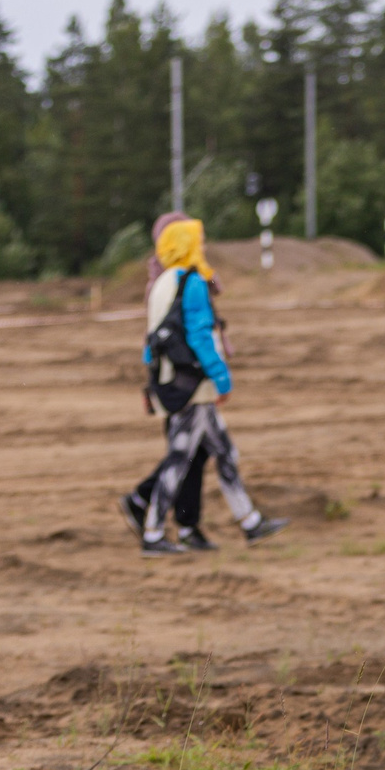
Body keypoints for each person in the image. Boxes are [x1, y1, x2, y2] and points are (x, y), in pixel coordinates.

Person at [132, 217, 287, 557]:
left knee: (224, 451)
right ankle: (154, 533)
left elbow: (150, 340)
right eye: (197, 242)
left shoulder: (160, 284)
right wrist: (222, 378)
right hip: (195, 386)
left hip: (172, 380)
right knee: (180, 458)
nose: (202, 247)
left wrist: (153, 383)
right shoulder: (193, 282)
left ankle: (249, 521)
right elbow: (202, 337)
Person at [122, 212, 216, 548]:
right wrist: (219, 375)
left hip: (176, 380)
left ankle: (183, 523)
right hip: (183, 381)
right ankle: (151, 513)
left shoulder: (176, 279)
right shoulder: (175, 282)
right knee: (186, 452)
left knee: (195, 451)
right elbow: (178, 334)